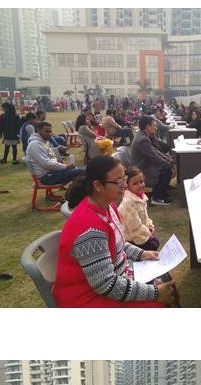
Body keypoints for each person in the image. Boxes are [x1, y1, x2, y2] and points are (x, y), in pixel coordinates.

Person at [53, 156, 174, 307]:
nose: (124, 186)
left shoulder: (108, 206)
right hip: (85, 296)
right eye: (118, 182)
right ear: (98, 185)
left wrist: (142, 254)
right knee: (159, 302)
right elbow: (105, 284)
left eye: (124, 179)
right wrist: (154, 293)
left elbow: (118, 243)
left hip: (110, 280)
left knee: (164, 284)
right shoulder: (89, 227)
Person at [130, 116, 174, 204]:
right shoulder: (143, 139)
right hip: (142, 169)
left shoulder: (143, 136)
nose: (156, 128)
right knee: (166, 168)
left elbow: (155, 151)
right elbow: (153, 157)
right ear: (148, 126)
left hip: (144, 165)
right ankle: (157, 197)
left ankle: (162, 191)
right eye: (154, 126)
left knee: (166, 165)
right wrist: (167, 162)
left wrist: (167, 158)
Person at [25, 122, 83, 186]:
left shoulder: (45, 142)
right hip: (46, 177)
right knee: (83, 172)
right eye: (46, 131)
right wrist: (66, 166)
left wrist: (61, 164)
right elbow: (46, 164)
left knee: (80, 171)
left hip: (53, 172)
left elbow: (52, 157)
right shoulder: (35, 145)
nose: (49, 134)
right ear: (38, 131)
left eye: (50, 131)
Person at [117, 165, 158, 251]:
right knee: (153, 244)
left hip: (139, 233)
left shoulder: (141, 196)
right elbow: (134, 226)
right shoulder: (128, 202)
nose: (140, 185)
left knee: (155, 242)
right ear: (127, 185)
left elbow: (145, 217)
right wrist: (148, 233)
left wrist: (150, 226)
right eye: (135, 183)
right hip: (130, 238)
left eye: (141, 181)